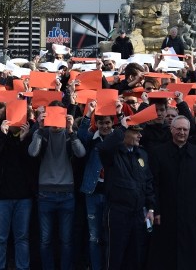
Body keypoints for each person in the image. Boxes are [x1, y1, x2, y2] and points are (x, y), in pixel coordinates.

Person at [147, 116, 196, 270]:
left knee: (189, 248)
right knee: (166, 250)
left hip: (191, 211)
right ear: (171, 130)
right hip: (166, 212)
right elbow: (154, 184)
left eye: (185, 129)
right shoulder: (158, 153)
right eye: (179, 129)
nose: (182, 132)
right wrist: (156, 211)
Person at [28, 104, 86, 270]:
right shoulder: (42, 133)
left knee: (66, 240)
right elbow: (32, 152)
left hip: (66, 194)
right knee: (45, 240)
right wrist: (39, 128)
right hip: (45, 194)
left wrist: (70, 130)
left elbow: (81, 153)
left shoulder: (68, 134)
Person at [98, 118, 155, 270]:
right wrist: (122, 127)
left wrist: (150, 208)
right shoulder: (113, 154)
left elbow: (147, 182)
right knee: (115, 257)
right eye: (136, 132)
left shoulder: (142, 154)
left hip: (138, 214)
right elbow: (103, 148)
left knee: (135, 256)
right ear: (125, 133)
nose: (140, 136)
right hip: (118, 212)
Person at [0, 112, 35, 270]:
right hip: (1, 197)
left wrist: (23, 139)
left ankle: (23, 267)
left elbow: (31, 161)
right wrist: (1, 134)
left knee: (22, 238)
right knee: (0, 238)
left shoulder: (28, 137)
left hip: (23, 197)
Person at [77, 101, 114, 270]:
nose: (105, 126)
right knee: (94, 236)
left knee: (109, 235)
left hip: (111, 193)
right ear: (96, 123)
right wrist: (87, 114)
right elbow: (80, 138)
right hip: (92, 192)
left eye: (108, 122)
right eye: (101, 123)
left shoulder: (117, 138)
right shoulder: (91, 138)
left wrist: (120, 113)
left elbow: (124, 131)